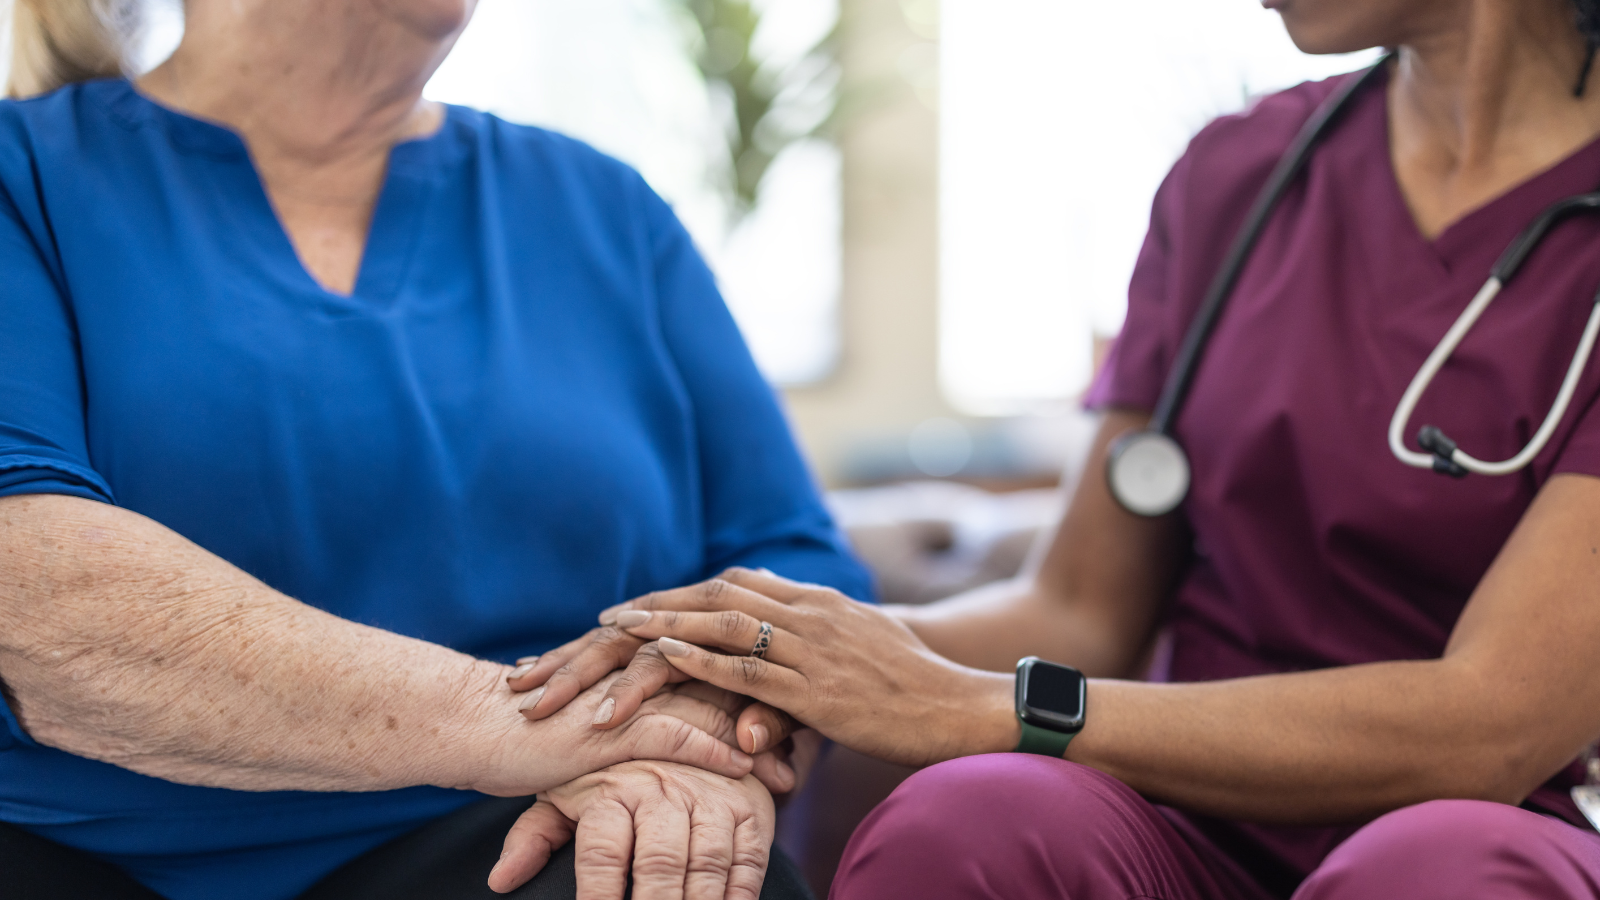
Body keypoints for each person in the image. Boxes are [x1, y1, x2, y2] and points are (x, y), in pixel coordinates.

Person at [518, 0, 1600, 896]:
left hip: (1469, 830)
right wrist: (780, 660)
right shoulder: (1241, 176)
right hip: (1184, 823)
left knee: (1434, 870)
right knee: (971, 818)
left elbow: (1487, 726)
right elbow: (1083, 610)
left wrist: (975, 706)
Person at [0, 0, 871, 898]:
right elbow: (32, 592)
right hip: (92, 855)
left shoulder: (606, 209)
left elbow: (795, 563)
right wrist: (546, 726)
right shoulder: (21, 176)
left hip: (518, 837)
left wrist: (700, 722)